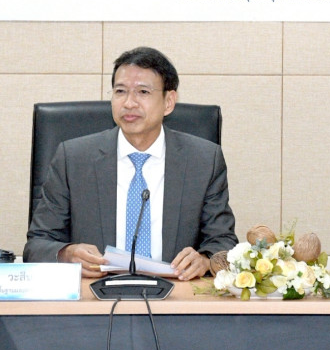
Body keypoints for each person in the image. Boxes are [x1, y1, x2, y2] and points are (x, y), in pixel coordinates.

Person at [24, 47, 237, 281]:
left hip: (174, 293)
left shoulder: (203, 160)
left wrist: (205, 261)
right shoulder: (73, 159)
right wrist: (66, 254)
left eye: (143, 92)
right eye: (120, 91)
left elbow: (223, 243)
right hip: (95, 293)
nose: (129, 103)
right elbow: (37, 245)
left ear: (168, 102)